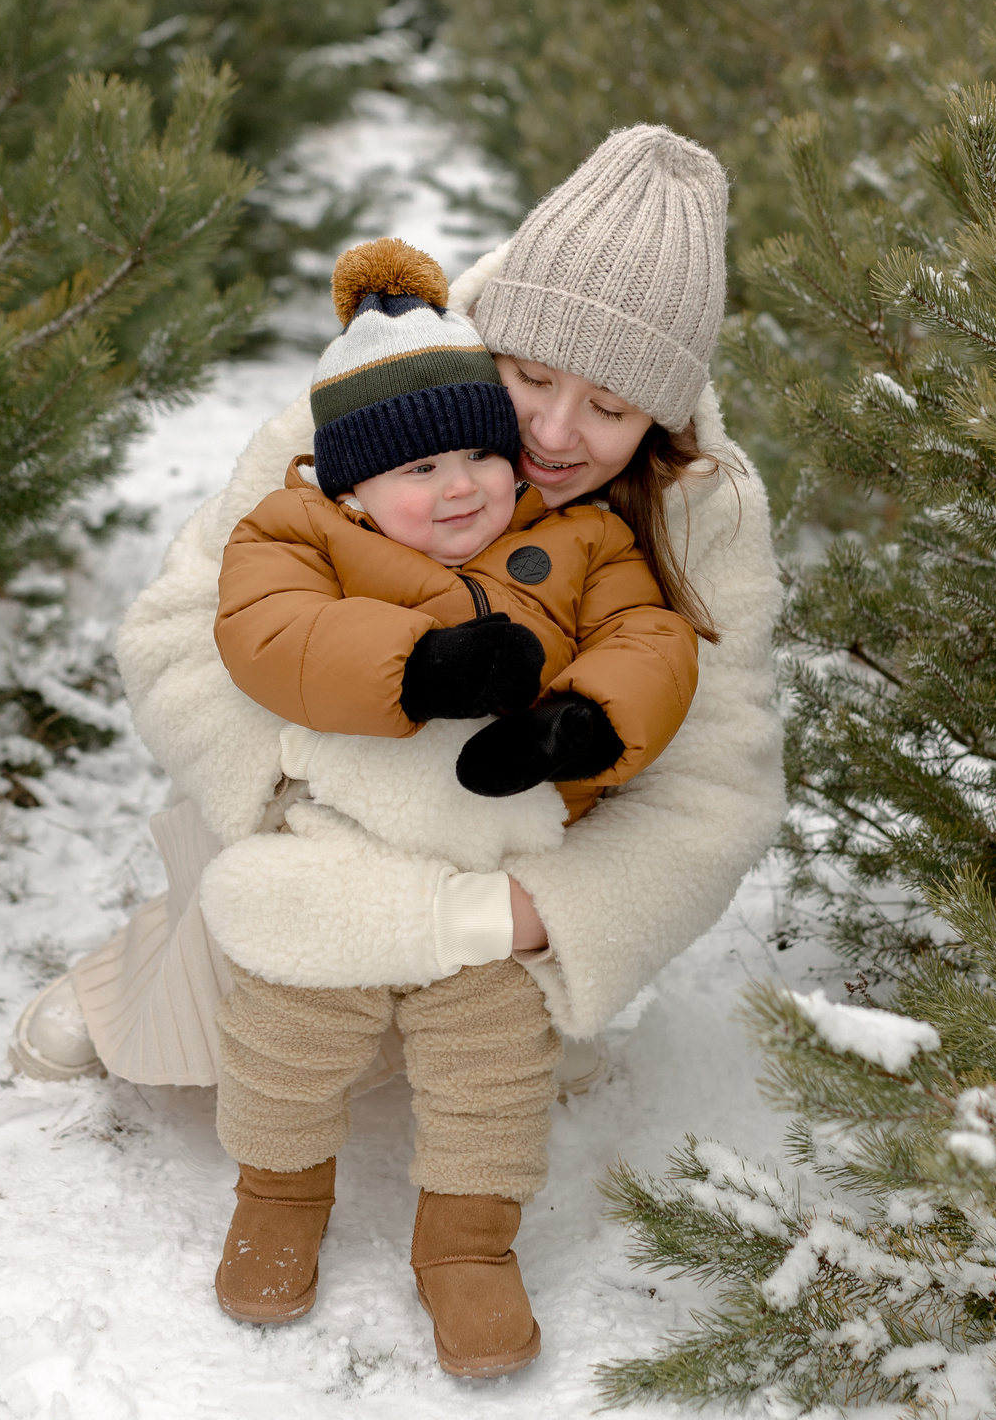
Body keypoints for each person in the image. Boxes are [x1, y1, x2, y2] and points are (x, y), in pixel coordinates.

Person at [7, 124, 788, 1377]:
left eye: (611, 405)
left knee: (481, 1056)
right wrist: (320, 798)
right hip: (321, 804)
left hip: (514, 850)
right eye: (530, 376)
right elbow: (180, 631)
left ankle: (467, 1218)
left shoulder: (705, 510)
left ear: (668, 410)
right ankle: (157, 969)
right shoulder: (382, 396)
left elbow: (722, 780)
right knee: (248, 1009)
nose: (553, 428)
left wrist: (553, 910)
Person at [198, 236, 700, 1374]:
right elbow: (263, 632)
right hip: (340, 853)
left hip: (493, 869)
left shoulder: (583, 538)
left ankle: (468, 1247)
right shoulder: (301, 532)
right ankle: (278, 1195)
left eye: (481, 452)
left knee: (492, 1075)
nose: (463, 483)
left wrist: (589, 723)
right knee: (284, 1039)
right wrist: (415, 671)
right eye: (419, 471)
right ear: (354, 487)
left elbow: (651, 641)